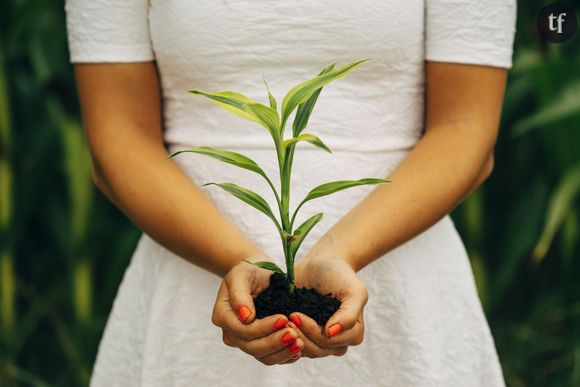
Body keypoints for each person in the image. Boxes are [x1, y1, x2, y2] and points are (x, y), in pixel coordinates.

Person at [65, 0, 516, 385]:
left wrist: (341, 251)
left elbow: (466, 129)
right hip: (193, 277)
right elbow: (117, 136)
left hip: (399, 280)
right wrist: (240, 261)